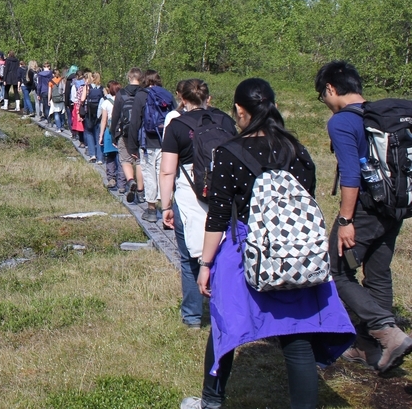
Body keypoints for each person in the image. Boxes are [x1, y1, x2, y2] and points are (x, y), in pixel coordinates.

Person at [182, 78, 354, 409]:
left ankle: (211, 401)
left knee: (225, 327)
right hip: (293, 252)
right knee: (297, 338)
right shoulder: (297, 150)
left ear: (239, 111)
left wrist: (205, 265)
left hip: (246, 249)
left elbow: (218, 217)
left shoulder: (229, 153)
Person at [316, 60, 412, 373]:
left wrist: (345, 220)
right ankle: (372, 349)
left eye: (323, 96)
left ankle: (387, 330)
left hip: (365, 210)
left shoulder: (342, 121)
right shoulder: (378, 115)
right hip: (393, 207)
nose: (326, 103)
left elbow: (350, 174)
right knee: (378, 272)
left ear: (331, 89)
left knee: (334, 270)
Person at [160, 79, 237, 330]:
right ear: (208, 98)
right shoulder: (225, 121)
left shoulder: (176, 126)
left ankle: (193, 317)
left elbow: (168, 171)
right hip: (225, 194)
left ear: (183, 99)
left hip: (190, 196)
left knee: (189, 259)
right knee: (227, 253)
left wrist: (165, 205)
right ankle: (229, 311)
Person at [130, 70, 172, 223]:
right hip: (165, 142)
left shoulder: (141, 95)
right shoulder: (167, 94)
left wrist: (132, 146)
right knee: (164, 174)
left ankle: (152, 209)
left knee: (149, 175)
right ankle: (167, 207)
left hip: (146, 142)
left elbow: (135, 122)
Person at [112, 68, 145, 205]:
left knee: (125, 159)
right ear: (141, 78)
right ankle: (141, 191)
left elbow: (116, 115)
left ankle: (130, 180)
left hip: (125, 131)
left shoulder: (122, 93)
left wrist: (113, 133)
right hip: (141, 133)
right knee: (139, 162)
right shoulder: (144, 93)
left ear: (129, 77)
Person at [98, 80, 122, 189]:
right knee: (122, 158)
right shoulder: (124, 101)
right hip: (121, 131)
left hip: (109, 131)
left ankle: (112, 178)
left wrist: (101, 135)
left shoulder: (106, 102)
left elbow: (104, 120)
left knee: (110, 156)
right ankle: (122, 182)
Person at [82, 73, 104, 163]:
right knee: (99, 134)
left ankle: (92, 155)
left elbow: (82, 99)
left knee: (89, 132)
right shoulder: (102, 88)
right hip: (99, 115)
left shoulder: (87, 87)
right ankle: (100, 158)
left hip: (89, 114)